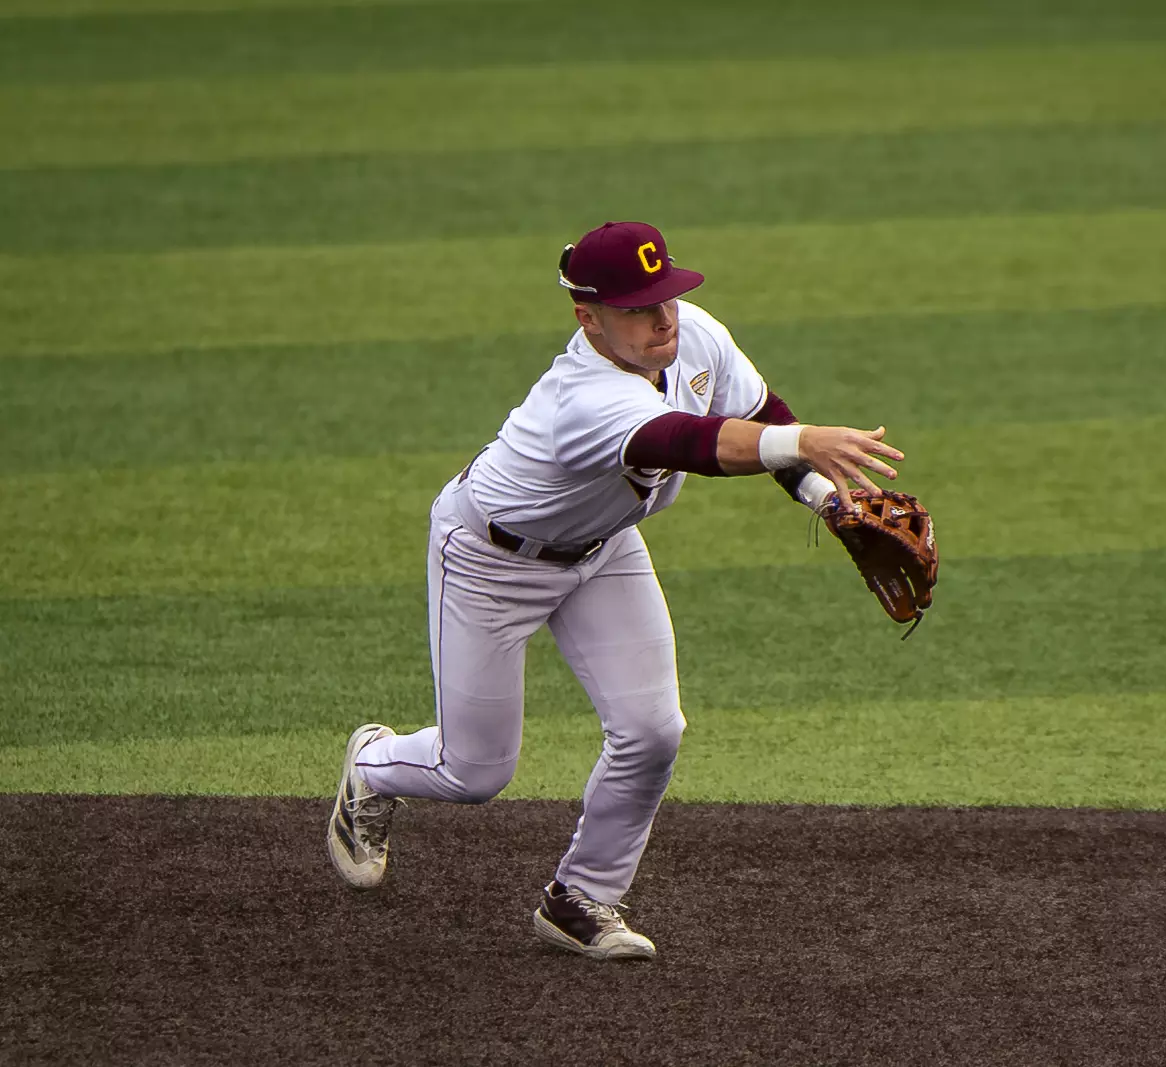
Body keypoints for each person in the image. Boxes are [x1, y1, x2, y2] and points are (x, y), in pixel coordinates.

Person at [326, 221, 904, 961]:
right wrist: (801, 444)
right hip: (489, 560)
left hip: (602, 548)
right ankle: (373, 765)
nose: (662, 318)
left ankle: (580, 897)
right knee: (475, 771)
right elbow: (694, 445)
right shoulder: (584, 398)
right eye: (637, 308)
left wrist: (827, 499)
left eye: (664, 296)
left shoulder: (691, 334)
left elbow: (765, 418)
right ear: (587, 317)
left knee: (652, 728)